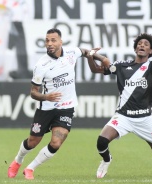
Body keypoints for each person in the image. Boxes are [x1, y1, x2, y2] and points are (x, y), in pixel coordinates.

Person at [7, 28, 109, 180]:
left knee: (56, 142)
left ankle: (30, 168)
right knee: (33, 142)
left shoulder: (71, 52)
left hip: (66, 107)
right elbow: (33, 92)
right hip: (46, 108)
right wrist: (46, 97)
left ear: (61, 42)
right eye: (47, 40)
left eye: (53, 40)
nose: (49, 43)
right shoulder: (41, 65)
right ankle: (18, 160)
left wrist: (101, 58)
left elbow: (87, 52)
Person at [86, 33, 152, 178]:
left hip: (144, 118)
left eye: (146, 44)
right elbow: (95, 69)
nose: (142, 45)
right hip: (123, 116)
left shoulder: (151, 67)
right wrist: (90, 55)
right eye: (140, 43)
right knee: (101, 142)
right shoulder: (121, 66)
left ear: (151, 51)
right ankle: (106, 160)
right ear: (135, 48)